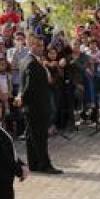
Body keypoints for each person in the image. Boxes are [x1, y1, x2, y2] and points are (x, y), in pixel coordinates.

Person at [14, 34, 62, 174]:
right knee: (40, 136)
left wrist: (22, 98)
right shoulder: (31, 63)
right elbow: (28, 87)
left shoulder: (27, 61)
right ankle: (44, 164)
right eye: (38, 45)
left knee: (31, 135)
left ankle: (34, 163)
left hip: (31, 105)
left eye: (42, 45)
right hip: (36, 106)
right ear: (30, 45)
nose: (41, 48)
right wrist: (23, 99)